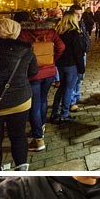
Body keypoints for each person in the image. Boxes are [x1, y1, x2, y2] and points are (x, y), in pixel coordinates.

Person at [0, 18, 38, 171]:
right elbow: (33, 71)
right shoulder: (25, 49)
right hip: (20, 101)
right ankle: (22, 169)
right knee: (18, 136)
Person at [18, 23, 64, 153]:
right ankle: (41, 126)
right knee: (43, 100)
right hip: (49, 72)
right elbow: (61, 47)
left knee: (35, 104)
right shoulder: (51, 32)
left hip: (33, 74)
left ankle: (38, 138)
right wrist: (52, 59)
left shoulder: (23, 34)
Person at [50, 12, 87, 124]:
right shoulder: (75, 34)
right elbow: (78, 53)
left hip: (60, 64)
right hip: (71, 65)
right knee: (68, 89)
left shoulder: (59, 33)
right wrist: (81, 68)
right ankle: (64, 114)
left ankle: (54, 112)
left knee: (62, 88)